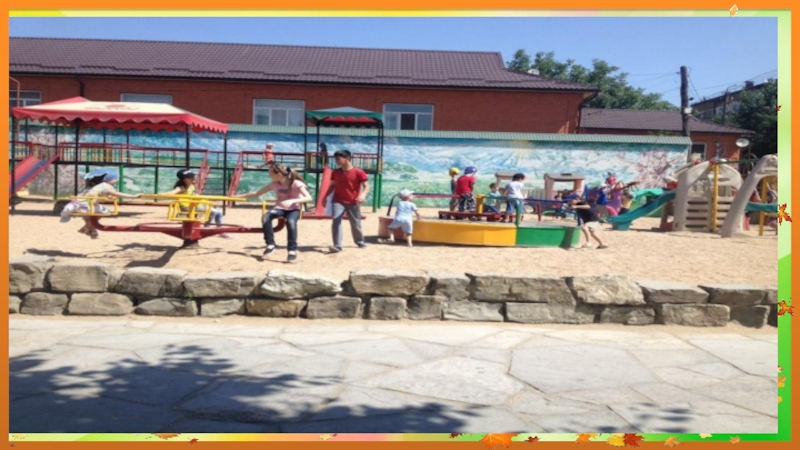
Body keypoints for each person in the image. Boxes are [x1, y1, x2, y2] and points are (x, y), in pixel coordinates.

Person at [240, 164, 312, 262]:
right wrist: (238, 196)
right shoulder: (274, 184)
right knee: (266, 217)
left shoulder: (296, 183)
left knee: (290, 222)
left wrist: (292, 201)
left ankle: (292, 250)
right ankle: (271, 245)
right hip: (280, 208)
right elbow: (257, 193)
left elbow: (309, 197)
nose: (269, 176)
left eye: (271, 174)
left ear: (278, 174)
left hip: (294, 209)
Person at [60, 168, 142, 239]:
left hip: (77, 203)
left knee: (91, 214)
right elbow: (116, 193)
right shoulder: (106, 186)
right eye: (115, 178)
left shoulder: (95, 186)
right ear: (111, 179)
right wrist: (133, 196)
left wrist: (109, 196)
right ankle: (87, 227)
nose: (116, 180)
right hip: (87, 205)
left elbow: (101, 194)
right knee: (104, 212)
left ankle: (89, 229)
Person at [322, 149, 370, 252]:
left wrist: (363, 194)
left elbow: (366, 186)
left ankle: (359, 241)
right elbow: (333, 185)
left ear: (347, 158)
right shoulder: (335, 172)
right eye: (335, 159)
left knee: (355, 222)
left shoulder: (358, 172)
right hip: (338, 200)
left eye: (338, 158)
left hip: (353, 201)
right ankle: (337, 245)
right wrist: (325, 197)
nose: (336, 161)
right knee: (336, 220)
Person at [161, 169, 231, 238]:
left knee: (219, 213)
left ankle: (221, 231)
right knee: (214, 211)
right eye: (189, 177)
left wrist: (206, 201)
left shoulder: (191, 186)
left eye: (193, 176)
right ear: (184, 179)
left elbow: (195, 195)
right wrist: (160, 195)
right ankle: (207, 227)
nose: (192, 178)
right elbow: (172, 193)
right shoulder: (181, 188)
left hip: (194, 205)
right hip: (187, 207)